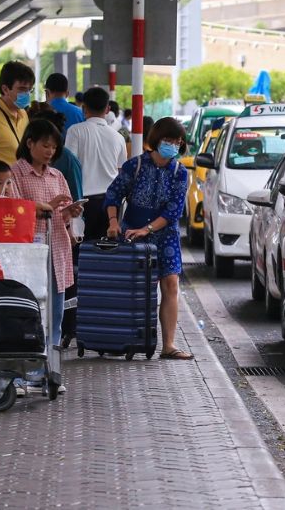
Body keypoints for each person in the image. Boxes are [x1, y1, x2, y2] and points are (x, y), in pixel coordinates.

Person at [104, 117, 192, 360]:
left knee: (171, 285)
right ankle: (126, 339)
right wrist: (113, 222)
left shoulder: (180, 172)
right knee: (136, 288)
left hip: (166, 236)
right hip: (132, 234)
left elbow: (173, 211)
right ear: (156, 140)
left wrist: (149, 229)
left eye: (177, 141)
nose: (173, 145)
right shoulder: (136, 166)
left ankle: (169, 345)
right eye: (168, 140)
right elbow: (113, 194)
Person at [11, 119, 83, 393]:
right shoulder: (15, 173)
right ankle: (21, 375)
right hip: (28, 255)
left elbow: (61, 218)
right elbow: (12, 209)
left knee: (54, 317)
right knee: (28, 315)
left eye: (53, 147)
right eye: (44, 145)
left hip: (58, 251)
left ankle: (48, 372)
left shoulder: (57, 176)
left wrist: (68, 213)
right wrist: (44, 207)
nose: (49, 151)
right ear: (29, 143)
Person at [64, 87, 126, 240]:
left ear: (84, 108)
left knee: (80, 253)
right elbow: (121, 172)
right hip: (110, 205)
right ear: (108, 109)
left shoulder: (75, 131)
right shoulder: (118, 137)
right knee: (104, 254)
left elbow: (69, 165)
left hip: (82, 202)